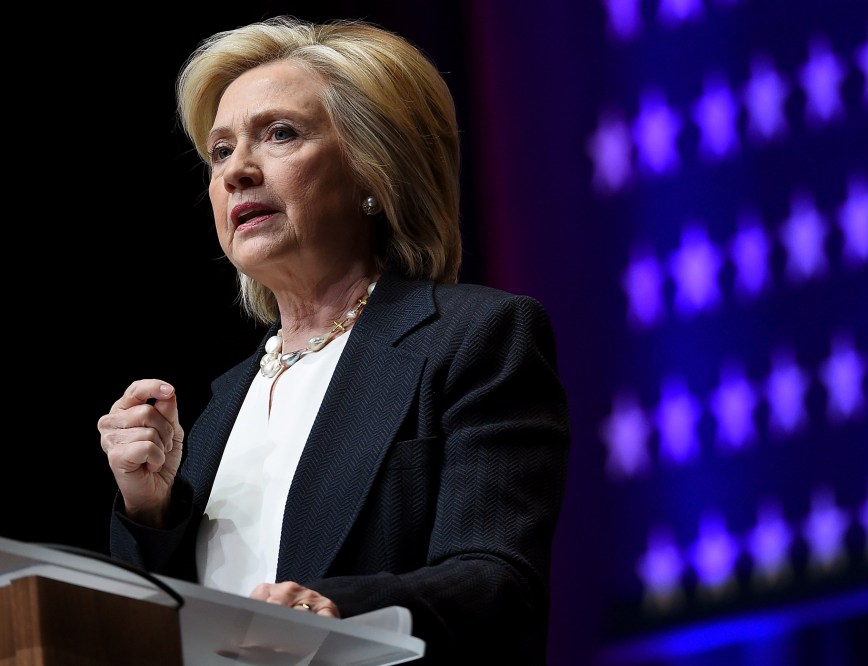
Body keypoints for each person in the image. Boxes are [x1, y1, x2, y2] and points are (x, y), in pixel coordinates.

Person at [96, 15, 570, 666]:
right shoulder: (217, 409)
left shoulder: (473, 340)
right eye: (221, 151)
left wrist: (339, 614)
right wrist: (148, 510)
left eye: (279, 134)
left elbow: (498, 582)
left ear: (374, 171)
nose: (237, 172)